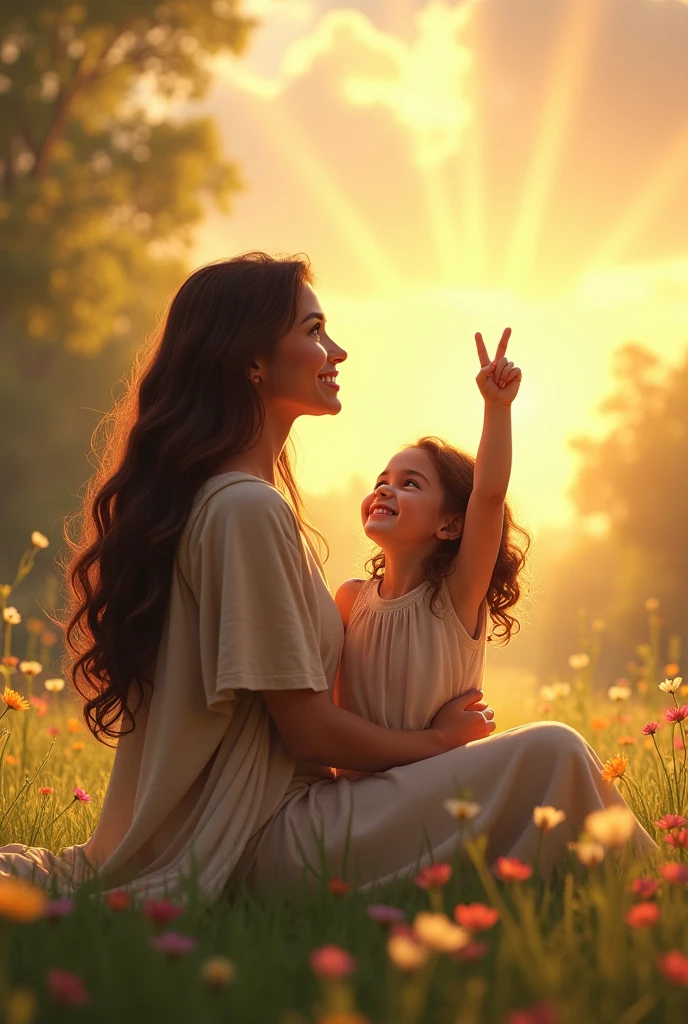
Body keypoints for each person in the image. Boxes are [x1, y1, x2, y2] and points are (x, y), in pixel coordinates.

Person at [0, 253, 656, 900]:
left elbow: (484, 499)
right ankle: (660, 897)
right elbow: (309, 732)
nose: (336, 351)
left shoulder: (232, 501)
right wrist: (437, 741)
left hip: (285, 820)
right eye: (313, 331)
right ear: (253, 363)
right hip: (267, 836)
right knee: (553, 752)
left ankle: (638, 893)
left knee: (551, 757)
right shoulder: (245, 509)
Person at [331, 330, 527, 782]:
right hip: (356, 800)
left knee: (556, 742)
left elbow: (488, 495)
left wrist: (497, 408)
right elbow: (334, 722)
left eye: (409, 484)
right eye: (382, 481)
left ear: (450, 525)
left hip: (435, 794)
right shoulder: (349, 601)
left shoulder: (457, 596)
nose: (385, 489)